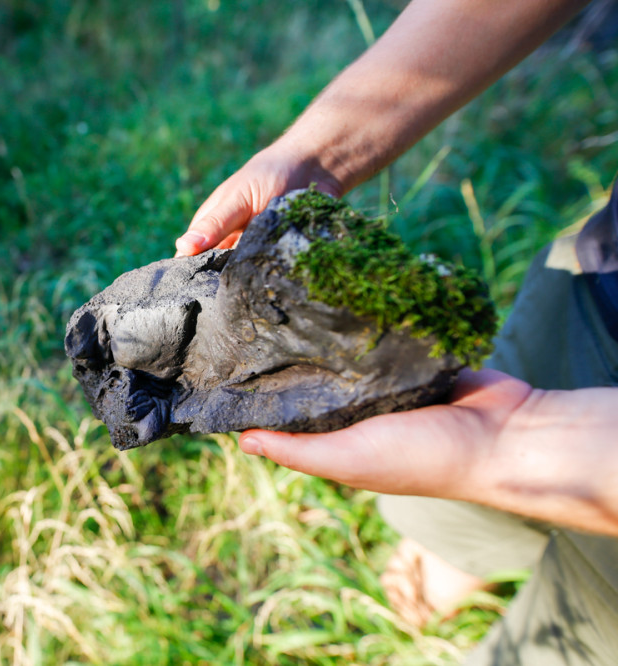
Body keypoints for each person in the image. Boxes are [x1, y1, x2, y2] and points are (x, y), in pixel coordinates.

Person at [175, 0, 618, 663]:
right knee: (494, 405)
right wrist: (315, 157)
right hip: (602, 282)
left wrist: (507, 445)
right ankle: (469, 551)